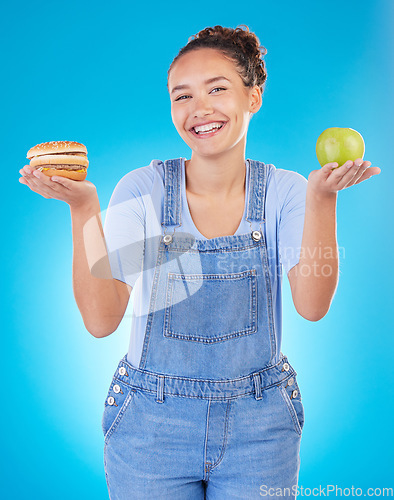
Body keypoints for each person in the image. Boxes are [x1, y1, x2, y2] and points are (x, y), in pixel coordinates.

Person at [19, 24, 380, 500]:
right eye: (181, 95)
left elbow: (312, 306)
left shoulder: (287, 193)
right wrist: (83, 209)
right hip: (151, 424)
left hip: (261, 426)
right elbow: (101, 320)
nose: (199, 109)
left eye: (217, 89)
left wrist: (323, 198)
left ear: (254, 96)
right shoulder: (144, 191)